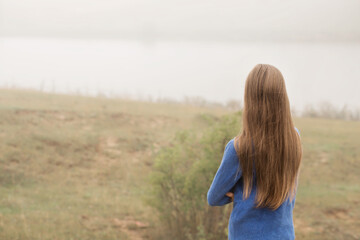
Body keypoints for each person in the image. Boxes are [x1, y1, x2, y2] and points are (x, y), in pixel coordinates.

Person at [207, 64, 303, 240]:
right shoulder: (294, 138)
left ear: (250, 99)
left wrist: (240, 193)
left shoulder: (239, 147)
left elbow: (214, 197)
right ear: (282, 98)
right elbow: (290, 189)